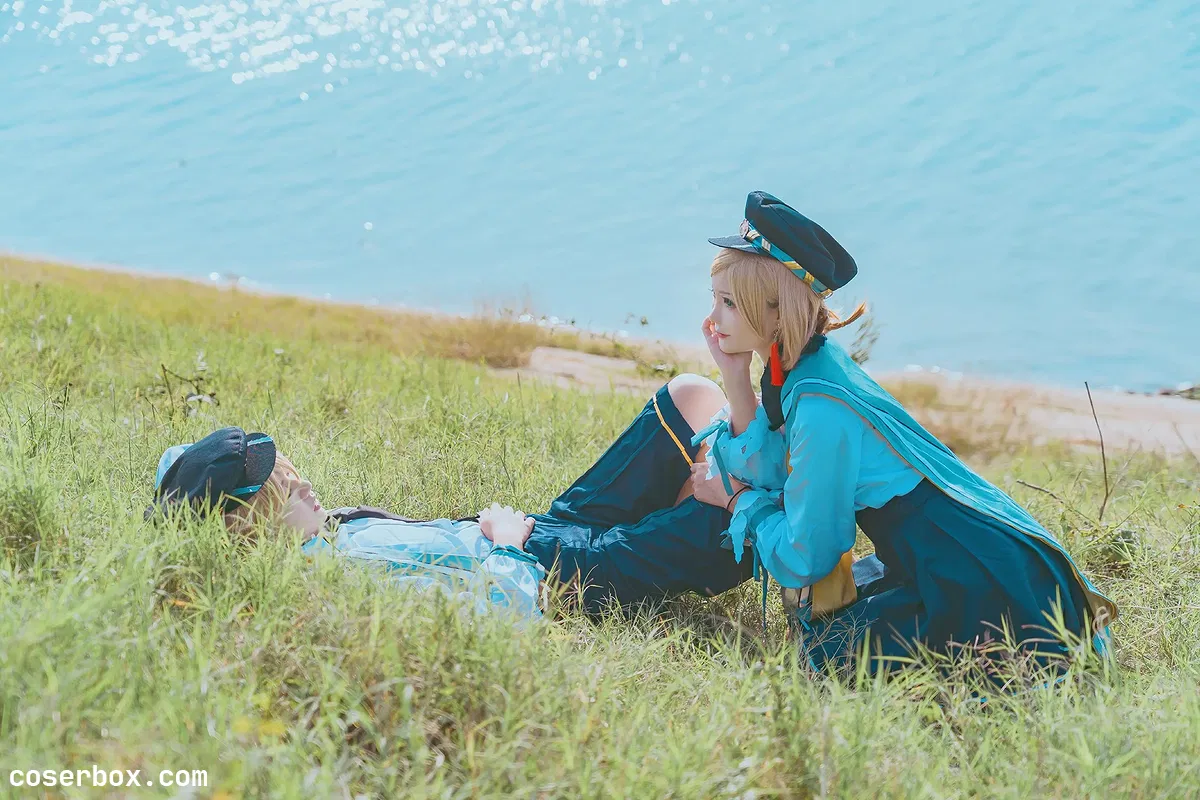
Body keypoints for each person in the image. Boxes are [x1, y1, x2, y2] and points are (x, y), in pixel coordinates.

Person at [684, 190, 1118, 676]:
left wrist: (739, 501)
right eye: (715, 299)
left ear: (777, 313)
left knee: (819, 659)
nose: (712, 319)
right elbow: (779, 467)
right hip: (950, 557)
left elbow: (806, 556)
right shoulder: (812, 364)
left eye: (728, 303)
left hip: (978, 580)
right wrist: (735, 377)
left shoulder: (820, 405)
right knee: (832, 634)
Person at [150, 376, 810, 619]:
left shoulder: (325, 536)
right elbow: (497, 615)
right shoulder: (341, 576)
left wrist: (184, 480)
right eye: (287, 491)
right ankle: (807, 549)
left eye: (294, 473)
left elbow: (176, 477)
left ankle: (713, 498)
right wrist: (510, 547)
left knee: (689, 398)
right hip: (561, 572)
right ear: (245, 531)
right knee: (738, 496)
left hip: (545, 529)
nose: (305, 485)